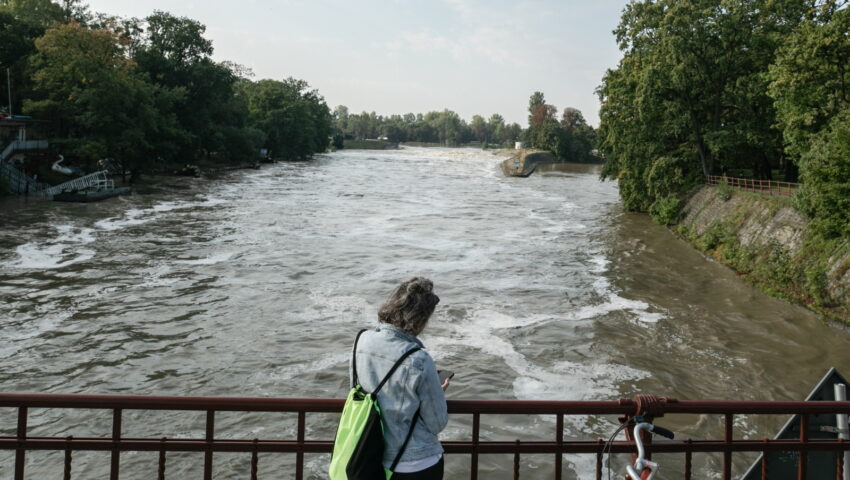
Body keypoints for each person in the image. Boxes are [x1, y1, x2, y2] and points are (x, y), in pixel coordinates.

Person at [351, 277, 449, 479]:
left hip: (367, 453)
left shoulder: (361, 341)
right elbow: (436, 423)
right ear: (421, 319)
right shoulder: (419, 359)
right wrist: (437, 391)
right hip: (414, 462)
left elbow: (358, 393)